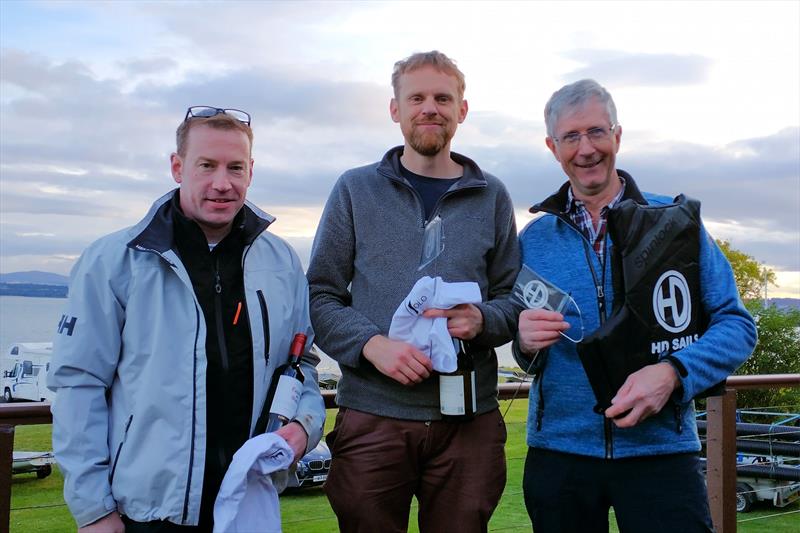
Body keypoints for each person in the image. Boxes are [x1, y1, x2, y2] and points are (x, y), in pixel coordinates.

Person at [49, 106, 325, 532]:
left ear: (250, 171)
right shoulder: (112, 261)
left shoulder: (282, 262)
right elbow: (78, 383)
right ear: (178, 167)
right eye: (206, 165)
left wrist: (306, 427)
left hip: (248, 502)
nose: (222, 183)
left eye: (235, 167)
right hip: (145, 512)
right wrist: (94, 510)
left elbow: (301, 363)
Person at [515, 79, 757, 532]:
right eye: (571, 137)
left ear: (618, 136)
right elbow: (521, 345)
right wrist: (524, 342)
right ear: (553, 147)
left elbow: (737, 326)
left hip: (661, 456)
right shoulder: (533, 240)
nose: (586, 149)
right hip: (559, 458)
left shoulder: (675, 223)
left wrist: (674, 373)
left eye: (596, 132)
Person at [307, 51, 520, 532]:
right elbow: (319, 294)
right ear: (395, 109)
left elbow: (514, 297)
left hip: (469, 421)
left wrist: (485, 320)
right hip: (373, 416)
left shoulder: (492, 195)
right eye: (417, 97)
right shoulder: (355, 189)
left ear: (461, 110)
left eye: (443, 98)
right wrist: (370, 345)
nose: (430, 108)